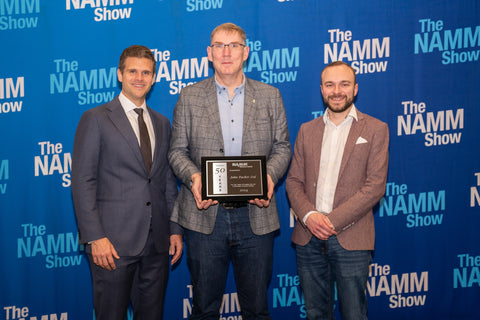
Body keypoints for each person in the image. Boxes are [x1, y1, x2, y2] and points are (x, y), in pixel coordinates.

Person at [168, 23, 291, 320]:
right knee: (205, 309)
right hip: (206, 216)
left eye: (233, 45)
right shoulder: (189, 96)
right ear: (209, 53)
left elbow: (282, 147)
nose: (226, 52)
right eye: (219, 45)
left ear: (245, 52)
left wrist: (269, 177)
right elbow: (176, 152)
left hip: (256, 216)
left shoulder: (270, 95)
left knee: (257, 310)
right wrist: (195, 177)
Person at [71, 45, 183, 320]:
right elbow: (83, 181)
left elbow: (166, 181)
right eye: (132, 71)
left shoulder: (162, 123)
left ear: (154, 77)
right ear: (119, 74)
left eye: (146, 72)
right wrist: (95, 237)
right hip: (112, 244)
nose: (139, 78)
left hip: (157, 243)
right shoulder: (95, 119)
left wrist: (174, 229)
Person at [286, 61, 389, 320]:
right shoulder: (307, 130)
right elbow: (293, 181)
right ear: (322, 90)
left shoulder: (376, 129)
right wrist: (310, 217)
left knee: (354, 314)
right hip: (308, 239)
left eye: (344, 84)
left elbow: (374, 187)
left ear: (355, 89)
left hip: (352, 239)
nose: (337, 90)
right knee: (315, 314)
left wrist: (330, 221)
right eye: (330, 84)